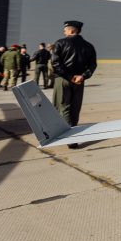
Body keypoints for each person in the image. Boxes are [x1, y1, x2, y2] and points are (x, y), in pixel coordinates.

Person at [52, 20, 97, 148]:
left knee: (63, 107)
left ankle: (69, 138)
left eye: (65, 29)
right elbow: (92, 65)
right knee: (75, 109)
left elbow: (55, 64)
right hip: (79, 81)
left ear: (71, 30)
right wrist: (83, 76)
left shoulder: (60, 43)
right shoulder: (89, 46)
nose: (63, 31)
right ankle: (74, 137)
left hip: (64, 80)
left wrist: (70, 77)